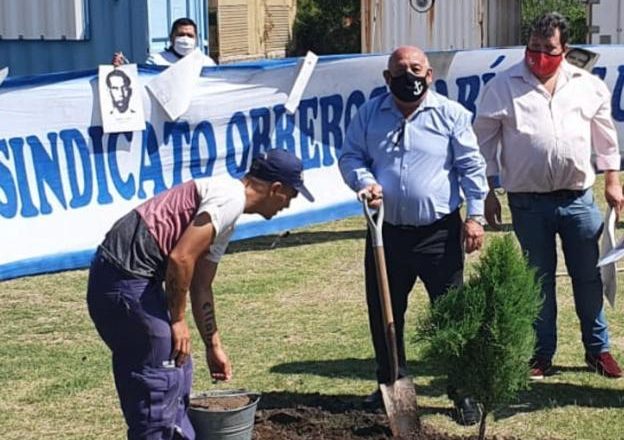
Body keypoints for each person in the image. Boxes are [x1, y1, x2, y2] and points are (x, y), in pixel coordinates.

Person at [87, 149, 313, 439]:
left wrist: (213, 345)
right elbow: (181, 259)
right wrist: (178, 320)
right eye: (290, 196)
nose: (288, 205)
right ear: (276, 188)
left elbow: (201, 284)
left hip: (134, 280)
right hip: (122, 278)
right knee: (160, 377)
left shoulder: (228, 211)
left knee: (179, 366)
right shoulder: (230, 197)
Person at [338, 46, 489, 426]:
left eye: (416, 68)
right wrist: (365, 182)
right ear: (387, 79)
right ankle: (391, 381)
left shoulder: (451, 115)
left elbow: (471, 165)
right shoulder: (369, 115)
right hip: (385, 234)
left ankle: (463, 389)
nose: (409, 76)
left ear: (430, 75)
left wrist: (475, 217)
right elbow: (350, 156)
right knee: (385, 312)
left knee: (451, 313)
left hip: (439, 232)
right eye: (400, 71)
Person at [474, 12, 623, 380]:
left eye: (549, 49)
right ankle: (542, 354)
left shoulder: (588, 86)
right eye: (534, 48)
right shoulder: (503, 85)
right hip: (527, 203)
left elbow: (606, 139)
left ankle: (598, 349)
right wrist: (487, 192)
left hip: (578, 200)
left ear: (565, 49)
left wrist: (613, 183)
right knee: (537, 279)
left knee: (590, 276)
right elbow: (481, 144)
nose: (540, 55)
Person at [112, 17, 216, 67]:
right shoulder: (156, 61)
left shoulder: (206, 63)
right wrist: (121, 69)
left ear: (196, 39)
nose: (185, 39)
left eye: (190, 35)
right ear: (171, 38)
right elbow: (142, 80)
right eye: (180, 35)